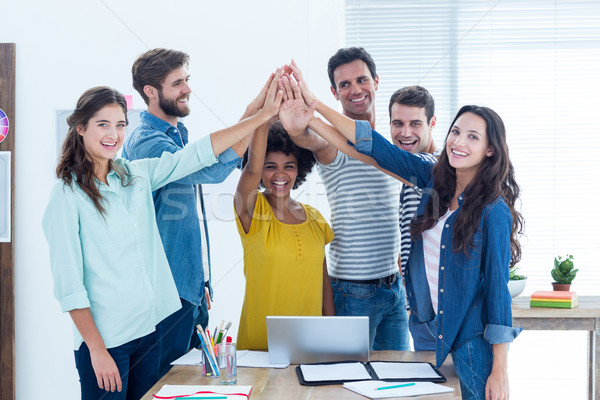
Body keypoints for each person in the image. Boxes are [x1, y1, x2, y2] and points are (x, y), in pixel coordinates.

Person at [42, 84, 282, 399]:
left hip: (149, 333)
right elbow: (69, 287)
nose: (113, 134)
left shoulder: (136, 177)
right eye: (103, 124)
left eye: (120, 124)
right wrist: (96, 351)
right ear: (81, 127)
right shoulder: (66, 196)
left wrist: (260, 116)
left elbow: (196, 154)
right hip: (107, 342)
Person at [289, 77, 523, 399]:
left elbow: (498, 293)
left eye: (473, 137)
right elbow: (374, 151)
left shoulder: (493, 209)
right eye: (456, 132)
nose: (459, 142)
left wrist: (500, 370)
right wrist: (312, 117)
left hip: (471, 340)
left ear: (490, 149)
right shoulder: (433, 179)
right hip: (428, 325)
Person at [121, 48, 266, 377]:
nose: (187, 89)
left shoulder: (173, 137)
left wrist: (199, 282)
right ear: (151, 91)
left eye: (187, 80)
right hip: (164, 298)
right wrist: (261, 117)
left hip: (189, 293)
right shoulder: (147, 143)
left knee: (190, 387)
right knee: (161, 387)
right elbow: (212, 171)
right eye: (177, 83)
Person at [279, 48, 410, 351]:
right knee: (349, 382)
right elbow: (310, 139)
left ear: (376, 81)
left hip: (394, 288)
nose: (355, 90)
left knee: (399, 382)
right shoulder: (335, 143)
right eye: (344, 85)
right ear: (334, 93)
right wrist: (298, 128)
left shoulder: (394, 141)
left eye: (361, 79)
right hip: (354, 292)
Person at [234, 87, 334, 350]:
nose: (280, 175)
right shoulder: (252, 211)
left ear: (299, 168)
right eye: (271, 166)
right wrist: (265, 118)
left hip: (309, 345)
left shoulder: (314, 219)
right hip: (259, 344)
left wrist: (332, 336)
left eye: (288, 166)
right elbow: (252, 169)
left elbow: (324, 283)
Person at [387, 86, 440, 351]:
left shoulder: (434, 166)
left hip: (437, 316)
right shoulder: (411, 178)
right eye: (398, 123)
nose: (405, 133)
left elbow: (371, 152)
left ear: (432, 123)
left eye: (415, 124)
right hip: (419, 310)